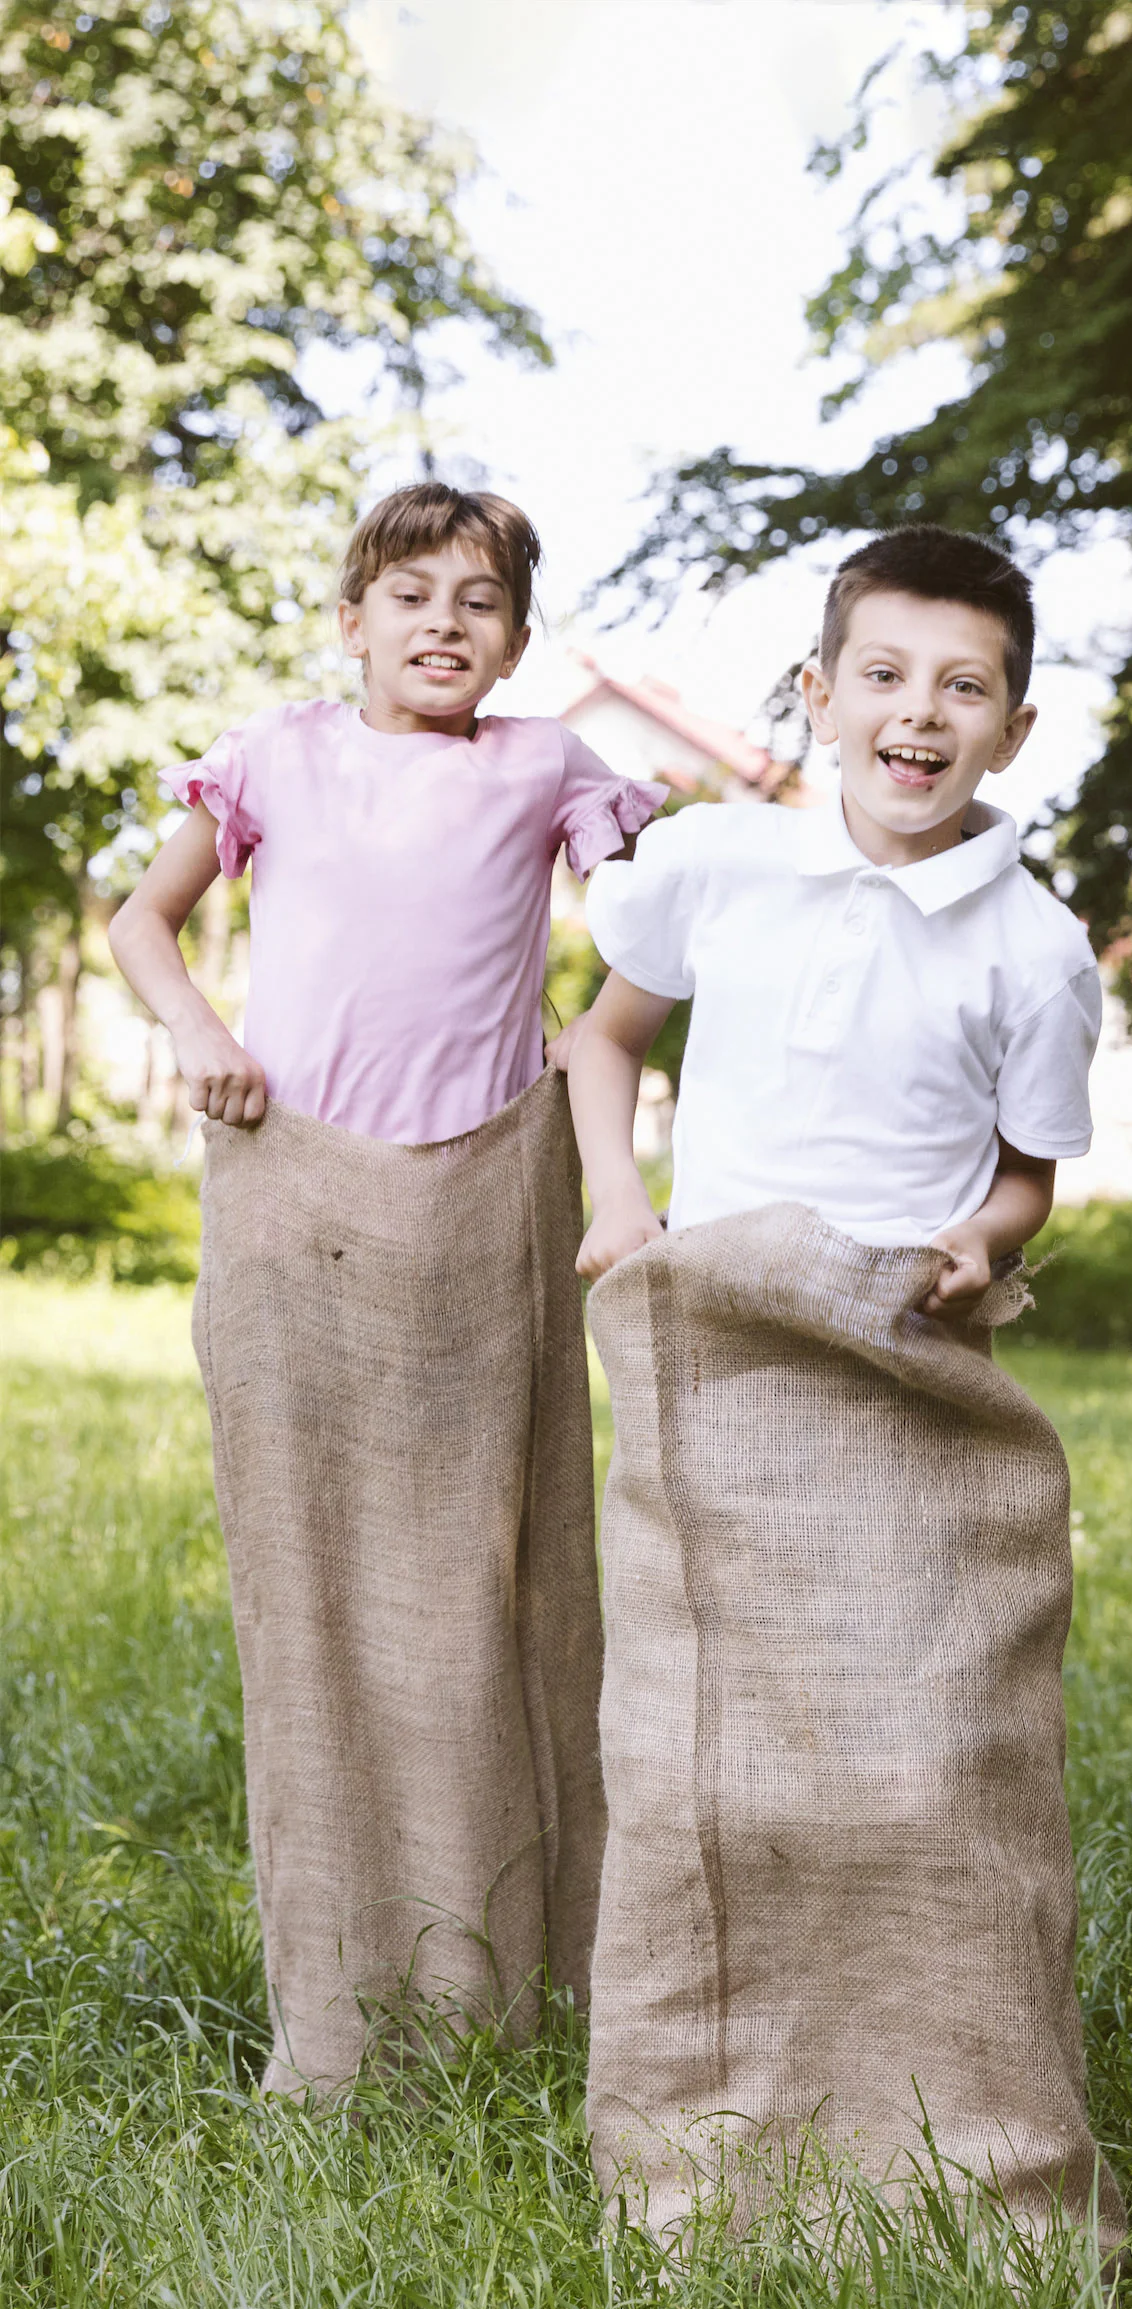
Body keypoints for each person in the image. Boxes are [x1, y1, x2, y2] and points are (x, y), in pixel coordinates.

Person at [565, 524, 1124, 2264]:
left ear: (1015, 731)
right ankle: (711, 2148)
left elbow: (1031, 1173)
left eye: (964, 686)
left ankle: (953, 2128)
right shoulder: (720, 863)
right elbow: (604, 1040)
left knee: (933, 1748)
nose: (919, 712)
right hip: (727, 1356)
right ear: (819, 695)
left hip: (903, 1361)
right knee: (713, 1757)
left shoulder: (1034, 944)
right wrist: (616, 1201)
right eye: (883, 674)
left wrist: (979, 1238)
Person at [107, 483, 663, 2094]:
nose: (441, 622)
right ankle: (342, 2005)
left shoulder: (549, 763)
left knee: (503, 1585)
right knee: (317, 1591)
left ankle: (523, 1970)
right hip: (301, 1201)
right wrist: (203, 1033)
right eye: (408, 593)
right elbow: (145, 919)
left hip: (481, 1210)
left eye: (477, 600)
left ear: (518, 636)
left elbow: (659, 925)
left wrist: (595, 1036)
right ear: (349, 616)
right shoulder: (277, 754)